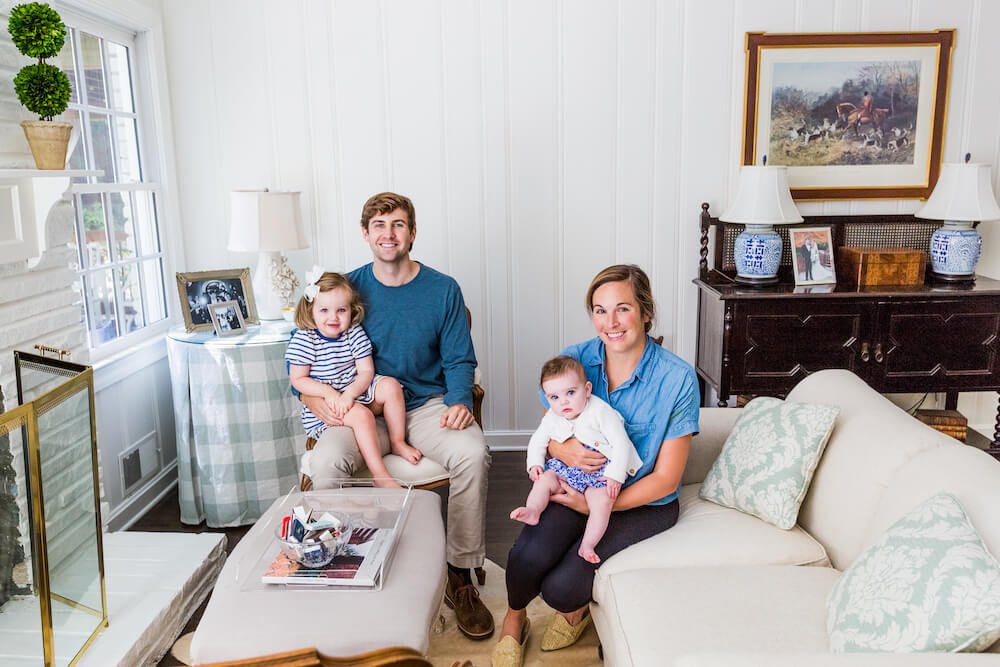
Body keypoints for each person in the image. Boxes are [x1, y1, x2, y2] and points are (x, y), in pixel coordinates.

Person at [300, 192, 493, 640]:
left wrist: (461, 399)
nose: (389, 234)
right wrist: (321, 402)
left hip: (425, 408)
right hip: (362, 413)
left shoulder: (443, 289)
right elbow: (306, 360)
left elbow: (459, 359)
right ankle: (337, 564)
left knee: (472, 452)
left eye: (399, 224)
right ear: (365, 234)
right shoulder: (342, 290)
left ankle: (460, 574)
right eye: (380, 225)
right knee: (327, 463)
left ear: (412, 232)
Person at [491, 264, 700, 667]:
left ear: (645, 311)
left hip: (642, 501)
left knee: (563, 587)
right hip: (574, 483)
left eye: (622, 308)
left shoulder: (677, 379)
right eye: (600, 311)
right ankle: (514, 620)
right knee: (528, 556)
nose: (611, 322)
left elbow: (666, 479)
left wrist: (593, 506)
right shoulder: (575, 359)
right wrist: (565, 452)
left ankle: (575, 612)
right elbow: (551, 427)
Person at [285, 269, 421, 490]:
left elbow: (366, 371)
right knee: (362, 416)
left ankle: (397, 442)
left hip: (354, 390)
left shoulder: (353, 333)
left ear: (351, 310)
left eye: (341, 310)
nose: (333, 317)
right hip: (327, 402)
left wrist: (350, 394)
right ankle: (380, 475)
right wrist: (330, 394)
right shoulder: (305, 339)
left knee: (391, 387)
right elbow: (298, 379)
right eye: (324, 310)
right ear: (311, 312)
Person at [510, 355, 642, 564]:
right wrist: (534, 463)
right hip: (567, 468)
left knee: (602, 502)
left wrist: (615, 475)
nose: (563, 402)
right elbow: (538, 440)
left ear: (587, 390)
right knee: (543, 480)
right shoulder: (553, 417)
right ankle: (533, 511)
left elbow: (621, 443)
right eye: (554, 397)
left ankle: (587, 544)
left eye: (570, 393)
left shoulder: (600, 411)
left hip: (600, 471)